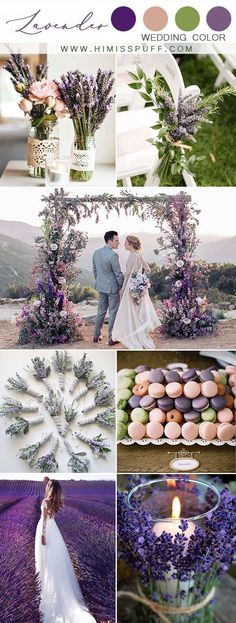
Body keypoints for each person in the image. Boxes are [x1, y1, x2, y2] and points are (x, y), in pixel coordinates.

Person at [35, 479, 96, 623]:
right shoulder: (55, 502)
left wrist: (43, 535)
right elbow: (50, 515)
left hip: (46, 531)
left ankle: (48, 590)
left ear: (49, 489)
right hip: (54, 530)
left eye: (48, 486)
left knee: (47, 561)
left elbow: (44, 519)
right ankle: (56, 589)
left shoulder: (45, 501)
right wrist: (49, 480)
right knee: (55, 560)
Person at [112, 235, 161, 349]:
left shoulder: (131, 256)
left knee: (130, 311)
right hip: (138, 286)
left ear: (130, 244)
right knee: (137, 310)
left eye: (126, 243)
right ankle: (140, 335)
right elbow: (148, 269)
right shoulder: (139, 255)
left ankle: (134, 335)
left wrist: (123, 288)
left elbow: (128, 274)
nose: (124, 245)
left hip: (130, 286)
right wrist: (141, 279)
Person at [92, 231, 124, 346]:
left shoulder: (96, 253)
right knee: (113, 312)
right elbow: (118, 273)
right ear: (109, 241)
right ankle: (111, 338)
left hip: (101, 286)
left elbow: (95, 271)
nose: (119, 243)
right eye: (116, 241)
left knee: (101, 311)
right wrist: (122, 285)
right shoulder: (113, 255)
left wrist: (100, 282)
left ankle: (96, 336)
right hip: (112, 288)